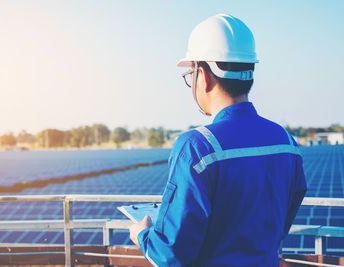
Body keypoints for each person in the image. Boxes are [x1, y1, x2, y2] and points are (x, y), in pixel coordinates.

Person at [129, 14, 307, 266]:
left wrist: (142, 235)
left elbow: (171, 256)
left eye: (190, 73)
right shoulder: (287, 143)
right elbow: (281, 225)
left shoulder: (196, 147)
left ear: (203, 75)